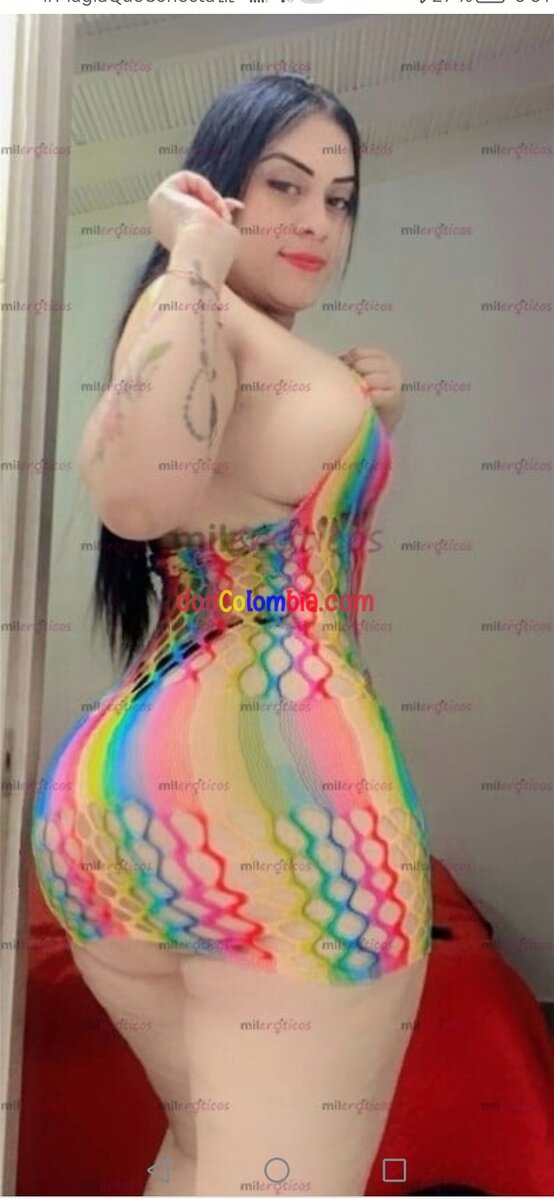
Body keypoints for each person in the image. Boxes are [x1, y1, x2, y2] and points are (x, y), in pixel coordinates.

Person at [31, 74, 432, 1197]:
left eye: (339, 199)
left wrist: (368, 417)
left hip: (126, 807)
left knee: (211, 1156)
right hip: (284, 818)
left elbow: (250, 509)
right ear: (220, 189)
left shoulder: (234, 333)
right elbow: (135, 497)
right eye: (284, 186)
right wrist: (195, 259)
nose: (317, 222)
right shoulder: (193, 301)